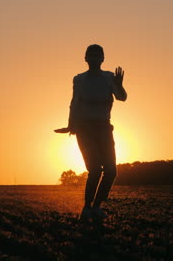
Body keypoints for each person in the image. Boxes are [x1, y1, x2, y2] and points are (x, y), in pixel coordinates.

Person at [54, 44, 127, 221]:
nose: (94, 58)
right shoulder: (79, 79)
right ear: (86, 58)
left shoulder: (110, 78)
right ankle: (87, 208)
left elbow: (122, 97)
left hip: (104, 128)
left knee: (111, 171)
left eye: (98, 55)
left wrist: (120, 85)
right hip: (84, 129)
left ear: (103, 58)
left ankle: (97, 207)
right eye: (91, 55)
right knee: (94, 169)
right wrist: (71, 125)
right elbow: (74, 103)